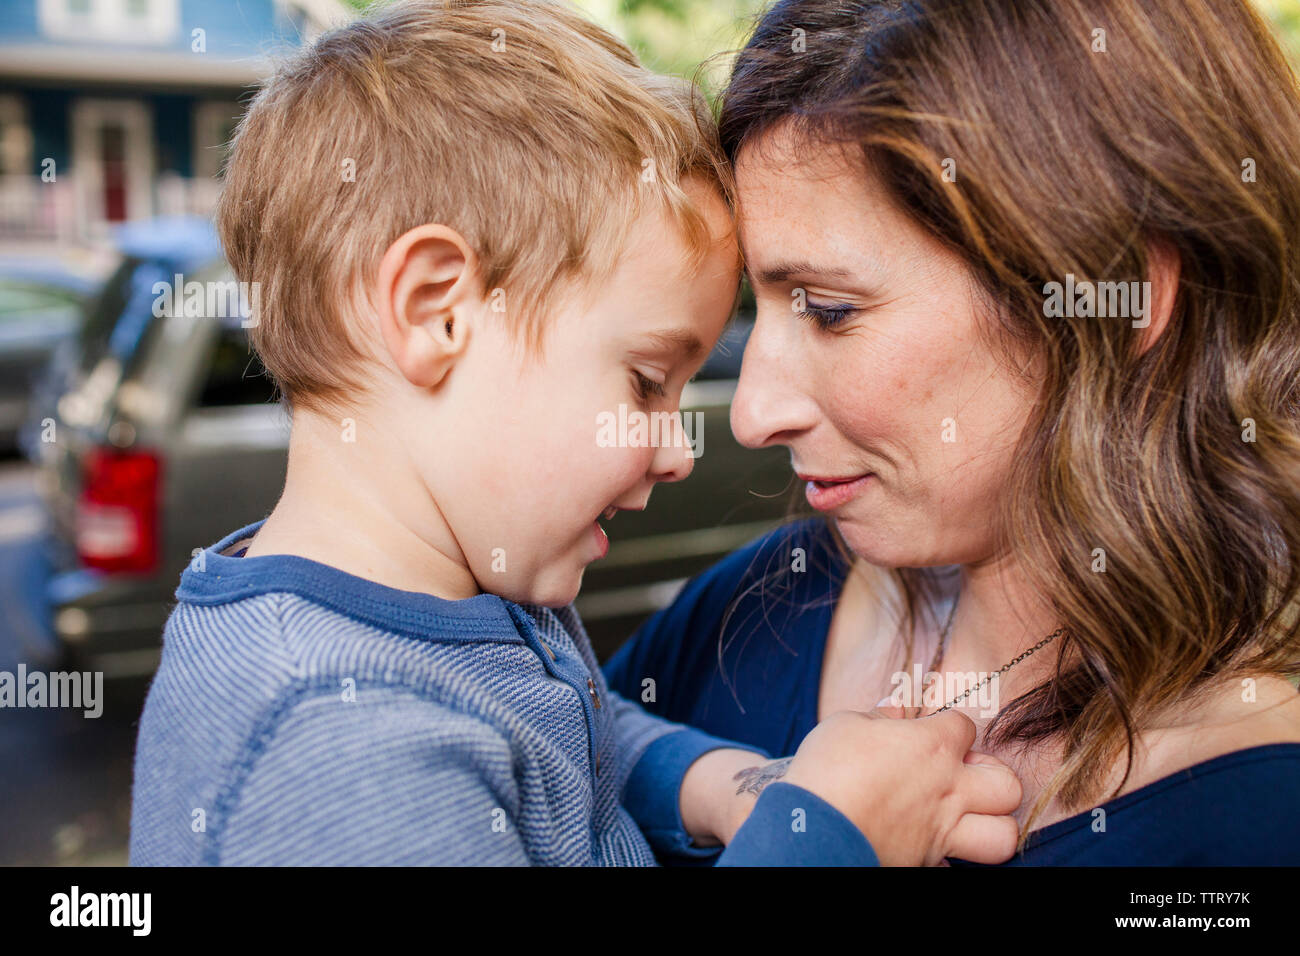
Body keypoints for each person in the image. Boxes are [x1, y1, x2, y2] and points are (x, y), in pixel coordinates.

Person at [127, 0, 1022, 867]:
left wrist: (720, 786)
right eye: (644, 382)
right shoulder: (337, 749)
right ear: (435, 311)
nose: (682, 451)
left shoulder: (462, 597)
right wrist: (824, 840)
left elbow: (566, 750)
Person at [606, 0, 1300, 865]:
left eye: (830, 310)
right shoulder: (765, 603)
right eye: (763, 307)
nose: (752, 414)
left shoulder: (1252, 826)